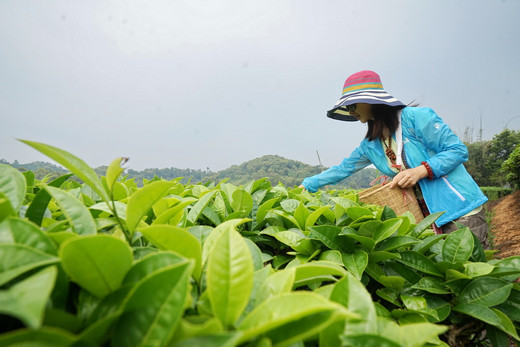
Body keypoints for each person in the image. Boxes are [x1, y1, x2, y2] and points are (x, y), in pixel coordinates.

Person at [300, 70, 489, 249]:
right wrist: (308, 185)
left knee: (474, 273)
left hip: (460, 211)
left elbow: (457, 151)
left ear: (369, 101)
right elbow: (343, 169)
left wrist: (420, 170)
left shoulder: (415, 118)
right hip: (425, 218)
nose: (350, 112)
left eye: (352, 105)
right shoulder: (371, 144)